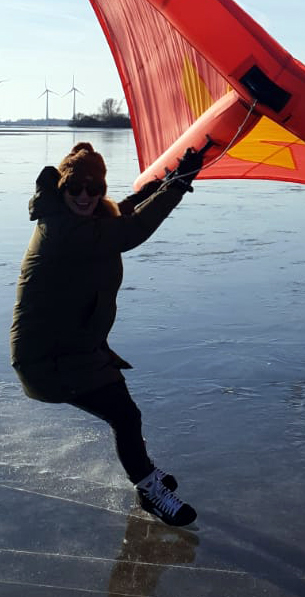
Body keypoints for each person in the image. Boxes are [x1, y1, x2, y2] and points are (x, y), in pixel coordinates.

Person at [10, 141, 205, 527]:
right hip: (46, 360)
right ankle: (150, 489)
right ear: (62, 188)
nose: (85, 196)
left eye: (94, 188)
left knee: (124, 413)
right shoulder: (59, 230)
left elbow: (124, 211)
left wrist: (163, 182)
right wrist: (179, 184)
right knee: (125, 414)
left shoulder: (85, 218)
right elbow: (131, 231)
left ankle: (144, 472)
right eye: (75, 188)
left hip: (74, 348)